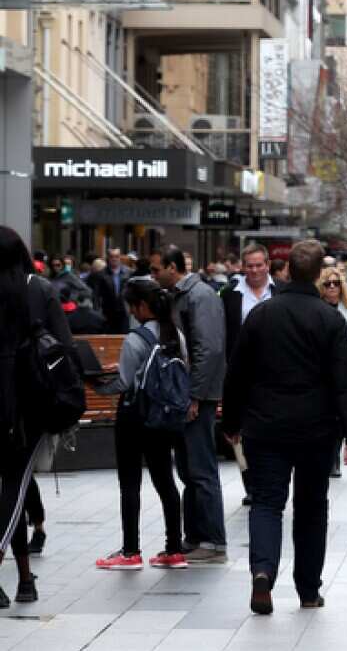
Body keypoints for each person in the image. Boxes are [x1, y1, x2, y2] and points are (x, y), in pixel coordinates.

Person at [222, 240, 347, 615]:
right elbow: (344, 380)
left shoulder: (262, 315)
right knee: (311, 507)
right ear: (319, 274)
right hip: (317, 429)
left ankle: (263, 572)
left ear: (285, 271)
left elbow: (237, 373)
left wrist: (231, 421)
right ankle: (307, 588)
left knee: (266, 502)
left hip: (265, 426)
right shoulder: (330, 319)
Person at [0, 226, 75, 607]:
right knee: (16, 484)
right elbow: (62, 346)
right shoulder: (39, 290)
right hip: (28, 403)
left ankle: (25, 578)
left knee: (9, 488)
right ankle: (14, 570)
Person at [91, 277, 187, 570]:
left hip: (134, 417)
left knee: (130, 483)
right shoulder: (175, 335)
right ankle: (174, 549)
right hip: (165, 417)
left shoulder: (135, 338)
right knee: (166, 481)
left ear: (141, 306)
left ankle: (131, 551)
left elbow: (123, 383)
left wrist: (94, 384)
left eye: (132, 306)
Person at [151, 246, 227, 564]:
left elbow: (208, 349)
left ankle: (211, 541)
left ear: (172, 267)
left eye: (157, 269)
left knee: (200, 468)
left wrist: (195, 396)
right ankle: (195, 536)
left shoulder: (200, 296)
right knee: (188, 468)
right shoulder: (182, 295)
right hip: (188, 395)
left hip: (197, 396)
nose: (153, 275)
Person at [221, 243, 275, 504]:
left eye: (259, 265)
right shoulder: (230, 296)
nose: (254, 270)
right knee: (240, 433)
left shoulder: (279, 293)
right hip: (240, 374)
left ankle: (267, 479)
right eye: (249, 266)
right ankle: (250, 483)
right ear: (243, 267)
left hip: (274, 375)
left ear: (267, 265)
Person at [318, 265, 347, 479]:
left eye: (336, 283)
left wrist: (343, 345)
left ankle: (335, 459)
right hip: (321, 368)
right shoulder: (317, 308)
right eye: (328, 284)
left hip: (344, 366)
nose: (332, 287)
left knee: (340, 412)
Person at [91, 247, 134, 333]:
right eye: (111, 256)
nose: (114, 259)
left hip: (124, 312)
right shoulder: (101, 274)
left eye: (116, 256)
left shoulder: (128, 272)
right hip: (107, 313)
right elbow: (96, 295)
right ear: (108, 258)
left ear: (120, 257)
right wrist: (97, 312)